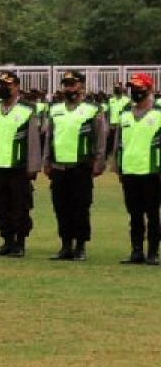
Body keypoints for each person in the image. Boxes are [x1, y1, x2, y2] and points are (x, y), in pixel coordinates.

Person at [41, 70, 107, 261]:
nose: (68, 88)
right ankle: (65, 245)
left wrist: (99, 162)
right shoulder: (55, 109)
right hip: (59, 167)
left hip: (81, 166)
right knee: (61, 207)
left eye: (72, 84)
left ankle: (80, 246)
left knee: (80, 206)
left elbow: (100, 139)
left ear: (82, 86)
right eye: (66, 84)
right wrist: (46, 161)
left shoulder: (93, 109)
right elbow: (49, 138)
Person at [0, 71, 42, 258]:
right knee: (0, 206)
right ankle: (7, 241)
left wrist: (33, 166)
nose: (3, 88)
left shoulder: (27, 109)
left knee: (20, 206)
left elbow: (34, 140)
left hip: (19, 166)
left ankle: (19, 243)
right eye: (0, 84)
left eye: (7, 85)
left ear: (17, 86)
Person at [112, 73, 161, 265]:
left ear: (149, 89)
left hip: (152, 170)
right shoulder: (124, 113)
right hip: (130, 171)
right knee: (134, 214)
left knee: (153, 214)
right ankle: (137, 251)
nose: (135, 92)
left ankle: (153, 253)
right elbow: (118, 142)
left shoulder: (158, 113)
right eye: (132, 88)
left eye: (139, 88)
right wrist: (117, 166)